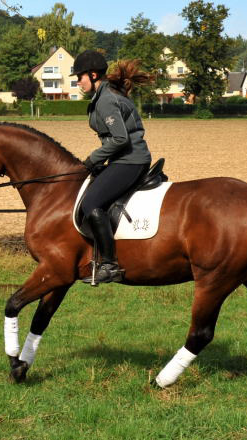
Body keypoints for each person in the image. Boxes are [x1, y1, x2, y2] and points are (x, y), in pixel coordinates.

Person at [72, 50, 153, 285]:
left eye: (80, 77)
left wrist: (92, 160)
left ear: (93, 75)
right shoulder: (105, 94)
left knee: (90, 204)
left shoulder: (106, 99)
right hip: (123, 159)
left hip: (130, 160)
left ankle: (110, 264)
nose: (78, 82)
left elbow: (120, 139)